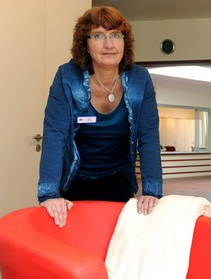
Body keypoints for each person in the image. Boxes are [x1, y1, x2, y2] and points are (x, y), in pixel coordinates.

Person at [37, 6, 162, 227]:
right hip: (74, 178)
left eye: (115, 35)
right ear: (85, 44)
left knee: (112, 243)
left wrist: (152, 192)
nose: (109, 44)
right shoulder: (66, 78)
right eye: (98, 35)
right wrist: (49, 194)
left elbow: (149, 136)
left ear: (125, 41)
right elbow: (54, 135)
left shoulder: (140, 80)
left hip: (117, 177)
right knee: (76, 244)